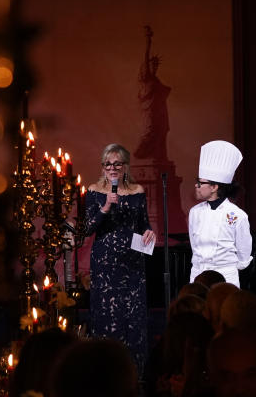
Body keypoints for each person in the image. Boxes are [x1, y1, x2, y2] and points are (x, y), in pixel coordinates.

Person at [85, 143, 156, 373]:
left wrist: (149, 231)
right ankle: (106, 371)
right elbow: (87, 228)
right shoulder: (94, 190)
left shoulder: (137, 191)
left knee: (132, 316)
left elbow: (143, 223)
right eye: (107, 164)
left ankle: (136, 372)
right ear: (103, 167)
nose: (112, 168)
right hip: (106, 264)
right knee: (108, 316)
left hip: (133, 263)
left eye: (117, 164)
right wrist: (105, 207)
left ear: (125, 166)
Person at [188, 140, 253, 286]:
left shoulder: (237, 215)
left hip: (226, 276)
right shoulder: (194, 212)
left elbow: (244, 253)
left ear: (214, 187)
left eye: (200, 182)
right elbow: (194, 246)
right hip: (198, 275)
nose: (196, 186)